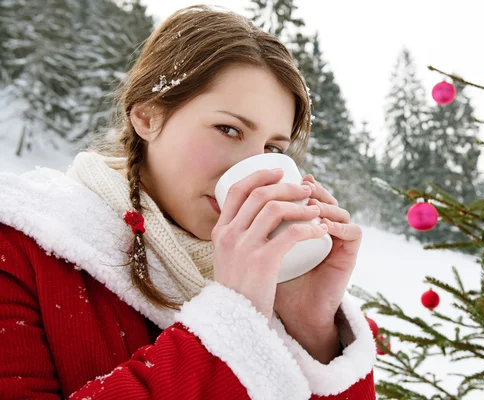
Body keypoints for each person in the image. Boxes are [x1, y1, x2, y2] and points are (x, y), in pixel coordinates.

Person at [0, 5, 376, 399]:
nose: (253, 170)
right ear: (147, 116)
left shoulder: (271, 284)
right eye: (228, 129)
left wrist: (311, 327)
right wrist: (232, 322)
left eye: (272, 148)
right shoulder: (22, 246)